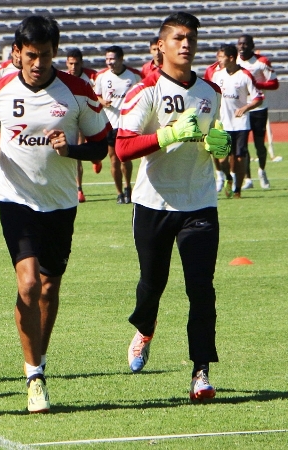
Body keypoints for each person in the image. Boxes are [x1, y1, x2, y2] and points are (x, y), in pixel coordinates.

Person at [0, 16, 109, 413]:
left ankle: (38, 360)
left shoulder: (77, 92)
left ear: (56, 54)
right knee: (29, 283)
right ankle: (34, 376)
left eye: (47, 56)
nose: (38, 63)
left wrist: (71, 149)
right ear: (17, 52)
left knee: (49, 288)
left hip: (60, 203)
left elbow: (102, 146)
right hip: (15, 198)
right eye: (32, 55)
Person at [116, 12, 230, 401]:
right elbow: (123, 147)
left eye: (192, 39)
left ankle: (201, 372)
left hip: (199, 203)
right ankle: (145, 328)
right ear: (160, 45)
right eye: (179, 38)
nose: (186, 44)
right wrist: (167, 134)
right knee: (153, 284)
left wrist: (221, 145)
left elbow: (217, 134)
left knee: (202, 289)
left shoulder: (210, 92)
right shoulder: (144, 91)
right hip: (153, 203)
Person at [210, 44, 263, 198]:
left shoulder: (244, 75)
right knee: (222, 158)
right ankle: (227, 177)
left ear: (231, 58)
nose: (218, 60)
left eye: (221, 57)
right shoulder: (217, 75)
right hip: (222, 123)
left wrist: (245, 108)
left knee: (240, 157)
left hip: (240, 124)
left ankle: (237, 189)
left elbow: (258, 97)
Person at [95, 46, 142, 204]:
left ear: (121, 59)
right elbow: (96, 96)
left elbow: (143, 93)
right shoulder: (102, 76)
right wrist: (103, 102)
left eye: (112, 59)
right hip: (110, 123)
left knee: (125, 158)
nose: (109, 62)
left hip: (127, 124)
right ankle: (119, 192)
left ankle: (128, 187)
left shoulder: (134, 76)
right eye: (107, 59)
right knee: (113, 159)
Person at [236, 34, 279, 189]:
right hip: (241, 109)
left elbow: (274, 84)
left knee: (259, 144)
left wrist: (255, 84)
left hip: (259, 107)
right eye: (240, 44)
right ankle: (248, 179)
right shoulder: (234, 61)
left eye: (245, 44)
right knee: (242, 145)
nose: (242, 47)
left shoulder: (261, 62)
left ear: (252, 46)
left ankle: (262, 171)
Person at [64, 48, 101, 203]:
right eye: (71, 63)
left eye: (76, 64)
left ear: (81, 63)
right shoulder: (62, 78)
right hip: (75, 118)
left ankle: (95, 158)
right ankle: (79, 189)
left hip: (91, 116)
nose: (73, 67)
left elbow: (101, 92)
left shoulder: (93, 76)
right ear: (67, 63)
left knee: (94, 148)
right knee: (78, 150)